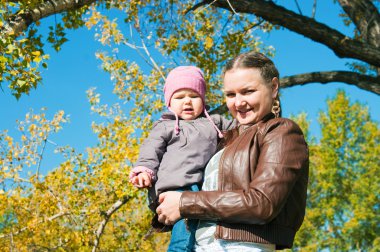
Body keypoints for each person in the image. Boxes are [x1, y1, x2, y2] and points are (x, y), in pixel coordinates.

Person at [156, 52, 309, 251]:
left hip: (242, 246)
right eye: (230, 94)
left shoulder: (281, 131)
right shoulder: (225, 138)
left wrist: (184, 202)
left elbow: (262, 203)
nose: (238, 102)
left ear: (273, 88)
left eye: (248, 91)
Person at [129, 66, 235, 252]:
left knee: (200, 236)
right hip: (177, 186)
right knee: (183, 237)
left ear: (202, 99)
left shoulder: (215, 122)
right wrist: (143, 171)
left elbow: (242, 130)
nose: (187, 101)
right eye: (179, 97)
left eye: (194, 96)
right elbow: (150, 150)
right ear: (169, 102)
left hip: (203, 189)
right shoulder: (165, 126)